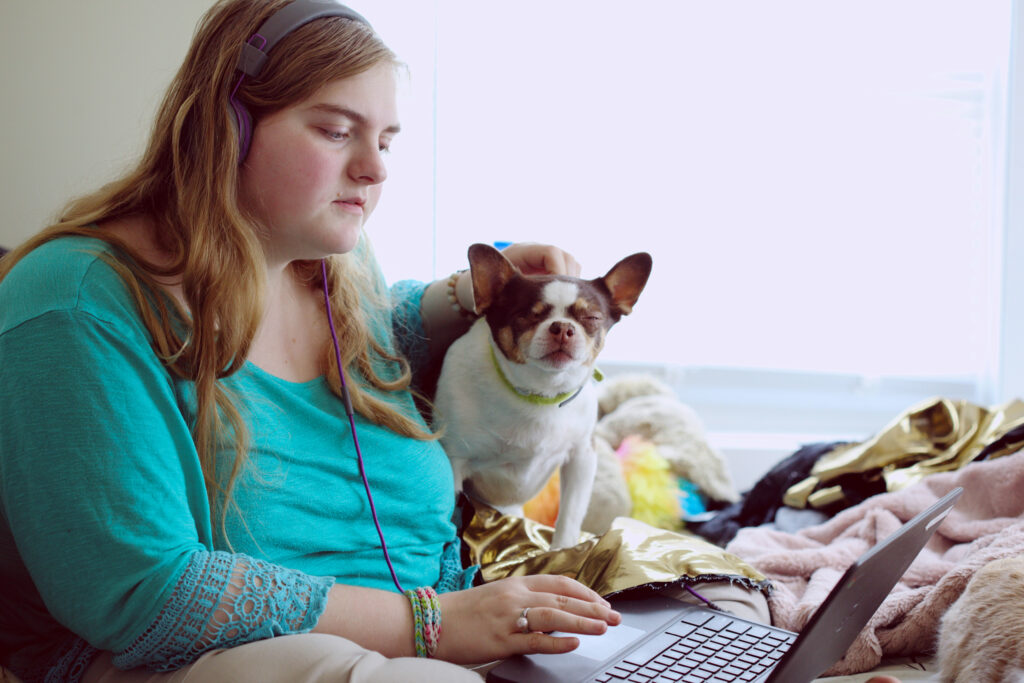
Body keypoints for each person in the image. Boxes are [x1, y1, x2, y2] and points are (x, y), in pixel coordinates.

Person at [0, 1, 622, 681]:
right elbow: (146, 591)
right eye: (335, 131)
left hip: (444, 622)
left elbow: (380, 338)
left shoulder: (330, 262)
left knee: (709, 601)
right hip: (213, 657)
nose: (375, 170)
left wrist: (471, 294)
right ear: (226, 129)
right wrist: (436, 626)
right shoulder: (75, 304)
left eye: (386, 141)